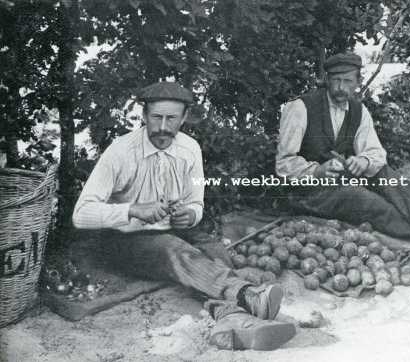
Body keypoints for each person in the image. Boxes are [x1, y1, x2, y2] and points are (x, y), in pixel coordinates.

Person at [72, 81, 296, 351]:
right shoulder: (120, 151)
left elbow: (196, 203)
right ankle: (245, 294)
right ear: (143, 116)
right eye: (156, 117)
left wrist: (189, 216)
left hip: (173, 230)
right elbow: (81, 214)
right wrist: (132, 209)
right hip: (123, 240)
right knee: (173, 249)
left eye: (172, 118)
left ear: (184, 117)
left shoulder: (190, 149)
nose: (163, 126)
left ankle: (230, 318)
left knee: (215, 250)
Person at [276, 53, 410, 243]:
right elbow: (284, 164)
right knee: (365, 200)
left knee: (387, 175)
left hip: (340, 183)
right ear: (326, 80)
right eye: (336, 80)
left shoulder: (359, 111)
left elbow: (375, 152)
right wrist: (317, 171)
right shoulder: (301, 108)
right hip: (309, 194)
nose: (341, 87)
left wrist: (363, 161)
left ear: (358, 81)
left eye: (347, 81)